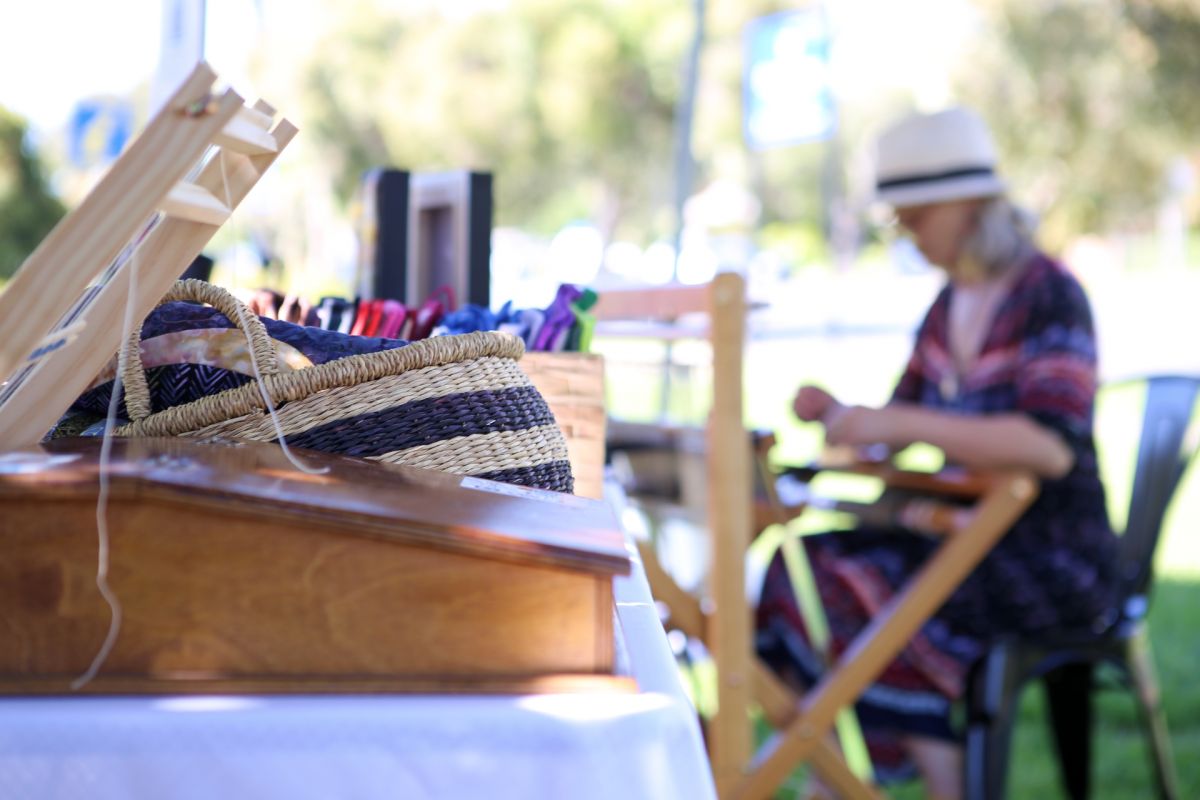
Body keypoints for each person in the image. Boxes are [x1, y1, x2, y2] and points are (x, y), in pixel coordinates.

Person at [755, 107, 1120, 799]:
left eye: (914, 216)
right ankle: (845, 774)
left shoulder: (1049, 294)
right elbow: (903, 421)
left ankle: (878, 784)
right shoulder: (946, 305)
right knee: (802, 570)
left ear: (968, 204)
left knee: (868, 593)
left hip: (1047, 555)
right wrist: (839, 415)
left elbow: (1048, 446)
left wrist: (899, 421)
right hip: (962, 535)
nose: (906, 232)